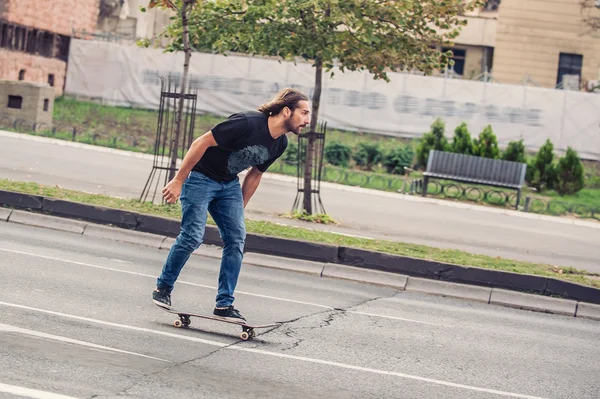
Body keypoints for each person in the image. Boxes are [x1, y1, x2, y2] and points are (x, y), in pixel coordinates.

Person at [152, 88, 311, 322]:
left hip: (228, 186)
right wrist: (178, 180)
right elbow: (201, 142)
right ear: (287, 111)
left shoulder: (280, 143)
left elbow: (255, 175)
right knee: (193, 235)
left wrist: (239, 206)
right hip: (200, 178)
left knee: (236, 238)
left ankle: (224, 304)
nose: (307, 120)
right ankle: (163, 288)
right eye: (304, 113)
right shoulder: (246, 123)